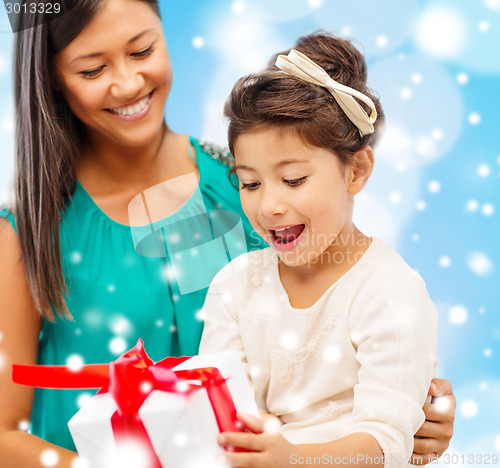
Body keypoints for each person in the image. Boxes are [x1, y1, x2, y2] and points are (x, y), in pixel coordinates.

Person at [0, 1, 454, 467]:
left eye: (142, 51)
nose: (129, 82)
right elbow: (2, 434)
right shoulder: (27, 234)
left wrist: (416, 399)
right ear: (50, 76)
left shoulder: (238, 184)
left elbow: (340, 339)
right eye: (93, 69)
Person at [198, 32, 454, 468]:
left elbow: (387, 442)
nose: (269, 205)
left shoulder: (390, 291)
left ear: (356, 169)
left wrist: (292, 457)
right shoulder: (235, 285)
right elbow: (214, 411)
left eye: (294, 179)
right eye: (250, 183)